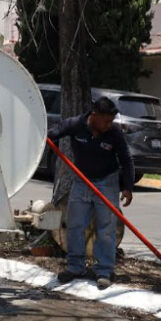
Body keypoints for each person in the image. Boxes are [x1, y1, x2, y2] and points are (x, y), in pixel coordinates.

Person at [50, 96, 134, 289]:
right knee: (75, 225)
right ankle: (75, 266)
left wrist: (128, 187)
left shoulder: (113, 133)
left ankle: (104, 270)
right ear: (94, 115)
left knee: (106, 228)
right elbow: (54, 132)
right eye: (106, 120)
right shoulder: (76, 124)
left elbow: (126, 159)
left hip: (107, 182)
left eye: (111, 121)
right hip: (82, 180)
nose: (109, 124)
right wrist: (48, 138)